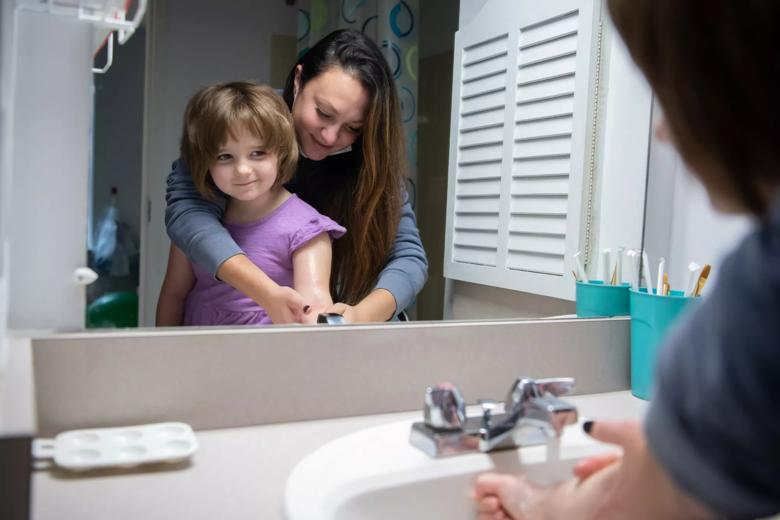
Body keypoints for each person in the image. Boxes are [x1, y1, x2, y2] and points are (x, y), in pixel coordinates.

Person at [474, 0, 780, 518]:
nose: (662, 131)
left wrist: (539, 502)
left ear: (734, 82)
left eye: (672, 93)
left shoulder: (762, 294)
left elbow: (644, 500)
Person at [164, 29, 428, 325]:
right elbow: (187, 216)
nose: (330, 137)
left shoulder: (367, 163)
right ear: (299, 80)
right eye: (324, 113)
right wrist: (266, 294)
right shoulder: (239, 124)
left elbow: (409, 257)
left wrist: (362, 315)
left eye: (353, 128)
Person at [156, 82, 345, 327]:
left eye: (258, 153)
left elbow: (314, 312)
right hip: (197, 359)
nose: (243, 170)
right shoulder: (197, 228)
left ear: (282, 152)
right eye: (225, 157)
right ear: (203, 162)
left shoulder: (306, 229)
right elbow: (174, 296)